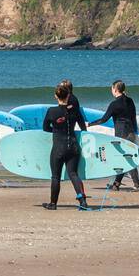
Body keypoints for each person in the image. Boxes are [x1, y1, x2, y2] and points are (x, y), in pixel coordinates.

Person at [42, 82, 88, 210]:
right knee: (73, 173)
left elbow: (45, 128)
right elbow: (82, 126)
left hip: (58, 148)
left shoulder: (51, 111)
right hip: (73, 147)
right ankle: (83, 201)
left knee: (56, 176)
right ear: (68, 96)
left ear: (56, 96)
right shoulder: (74, 111)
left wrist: (56, 131)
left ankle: (53, 204)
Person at [90, 79, 139, 191]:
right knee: (124, 158)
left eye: (112, 89)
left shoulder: (114, 104)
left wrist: (90, 124)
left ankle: (137, 185)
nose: (111, 91)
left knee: (127, 160)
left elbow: (104, 119)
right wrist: (136, 132)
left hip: (122, 134)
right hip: (131, 132)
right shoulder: (130, 101)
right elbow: (134, 117)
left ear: (115, 89)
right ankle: (116, 184)